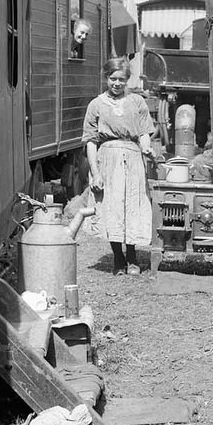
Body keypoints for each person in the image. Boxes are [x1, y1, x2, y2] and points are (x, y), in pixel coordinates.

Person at [82, 57, 155, 275]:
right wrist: (95, 174)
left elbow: (143, 133)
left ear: (127, 80)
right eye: (113, 79)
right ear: (106, 78)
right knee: (111, 206)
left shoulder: (137, 102)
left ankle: (132, 257)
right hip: (108, 160)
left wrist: (146, 148)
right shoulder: (96, 105)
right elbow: (91, 142)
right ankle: (118, 257)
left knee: (132, 205)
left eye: (121, 80)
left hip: (133, 159)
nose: (117, 83)